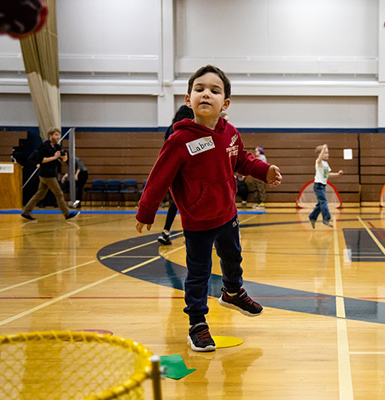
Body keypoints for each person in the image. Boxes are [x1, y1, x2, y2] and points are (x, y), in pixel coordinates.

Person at [135, 65, 282, 352]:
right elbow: (158, 178)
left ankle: (232, 292)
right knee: (199, 273)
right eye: (199, 89)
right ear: (188, 99)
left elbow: (242, 160)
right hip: (197, 219)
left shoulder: (230, 134)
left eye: (214, 91)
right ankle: (197, 325)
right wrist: (146, 210)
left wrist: (264, 170)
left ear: (224, 103)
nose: (206, 94)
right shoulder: (179, 140)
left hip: (227, 213)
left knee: (233, 258)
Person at [21, 128, 79, 221]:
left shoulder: (57, 147)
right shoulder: (44, 146)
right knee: (59, 193)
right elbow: (41, 160)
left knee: (39, 195)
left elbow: (64, 161)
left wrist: (64, 157)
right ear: (50, 136)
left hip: (51, 173)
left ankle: (26, 212)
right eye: (56, 135)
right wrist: (54, 157)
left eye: (58, 135)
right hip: (47, 174)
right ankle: (66, 214)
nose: (58, 137)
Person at [157, 105, 194, 245]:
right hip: (186, 168)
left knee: (175, 202)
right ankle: (190, 234)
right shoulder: (188, 129)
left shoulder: (170, 128)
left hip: (172, 169)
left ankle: (166, 231)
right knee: (191, 201)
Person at [308, 144, 343, 228]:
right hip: (318, 185)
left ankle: (312, 217)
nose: (327, 154)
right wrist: (323, 149)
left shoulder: (326, 164)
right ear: (320, 154)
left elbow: (328, 175)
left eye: (327, 153)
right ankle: (326, 219)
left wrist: (338, 174)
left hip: (322, 186)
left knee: (321, 204)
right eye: (325, 153)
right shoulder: (319, 162)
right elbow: (319, 159)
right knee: (324, 202)